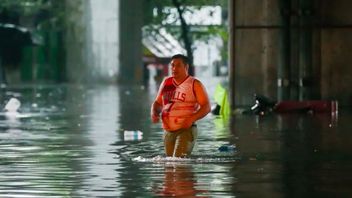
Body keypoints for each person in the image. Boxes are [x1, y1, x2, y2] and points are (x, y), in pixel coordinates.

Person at [150, 54, 211, 157]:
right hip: (168, 131)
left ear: (186, 67)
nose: (174, 68)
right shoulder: (166, 82)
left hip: (186, 130)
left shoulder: (195, 84)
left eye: (178, 65)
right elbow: (157, 103)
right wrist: (154, 112)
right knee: (170, 165)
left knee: (178, 162)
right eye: (172, 65)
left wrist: (191, 119)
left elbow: (207, 107)